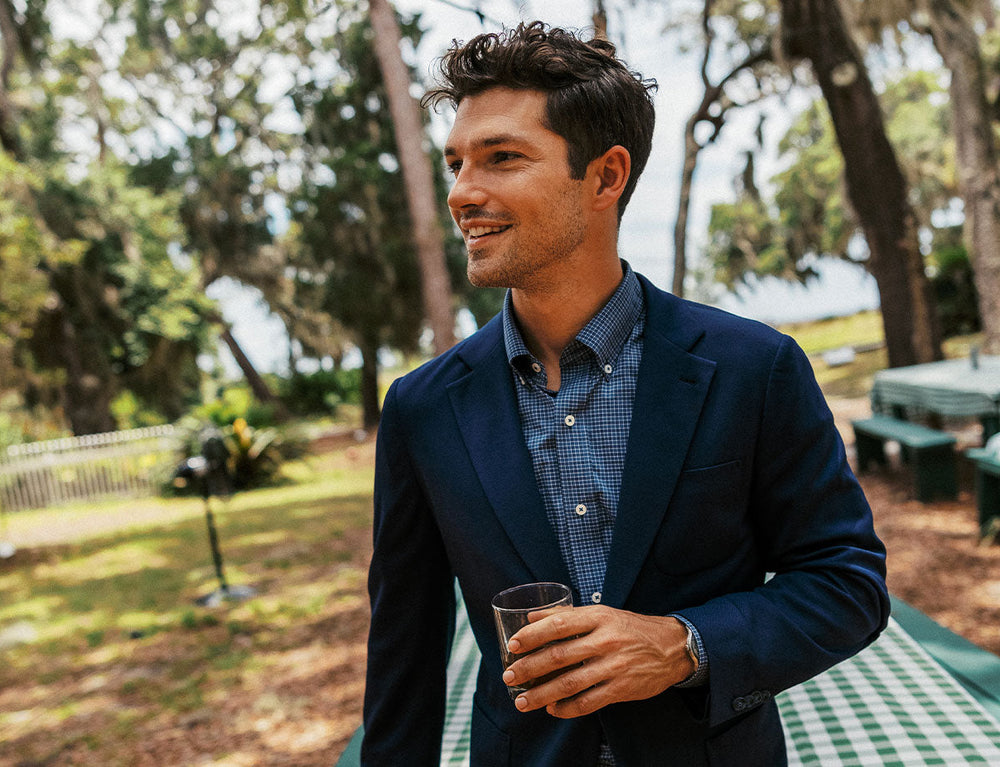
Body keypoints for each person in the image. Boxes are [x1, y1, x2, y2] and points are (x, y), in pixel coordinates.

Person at [362, 21, 889, 767]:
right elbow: (402, 659)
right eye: (454, 164)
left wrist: (683, 646)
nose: (462, 193)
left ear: (606, 177)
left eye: (502, 158)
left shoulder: (753, 367)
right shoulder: (422, 408)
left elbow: (847, 583)